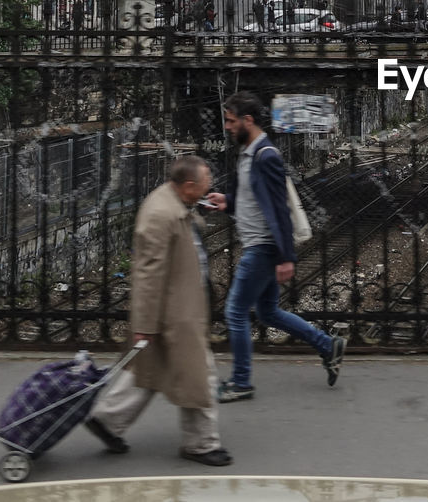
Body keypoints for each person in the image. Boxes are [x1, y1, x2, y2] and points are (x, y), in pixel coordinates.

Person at [85, 156, 233, 467]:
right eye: (206, 180)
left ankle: (108, 420)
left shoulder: (174, 202)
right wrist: (145, 324)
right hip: (176, 315)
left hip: (179, 309)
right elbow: (148, 274)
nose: (210, 184)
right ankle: (202, 444)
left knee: (151, 373)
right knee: (199, 377)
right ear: (189, 185)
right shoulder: (160, 213)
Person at [211, 92, 345, 403]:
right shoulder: (246, 153)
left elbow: (279, 209)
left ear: (248, 120)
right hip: (259, 245)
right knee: (268, 312)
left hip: (262, 247)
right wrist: (226, 202)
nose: (227, 127)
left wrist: (287, 257)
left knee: (235, 312)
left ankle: (241, 381)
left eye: (231, 121)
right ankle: (327, 345)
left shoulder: (266, 155)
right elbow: (250, 200)